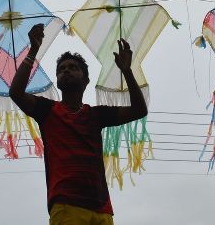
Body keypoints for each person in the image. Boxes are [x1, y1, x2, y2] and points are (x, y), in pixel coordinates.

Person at [9, 23, 147, 225]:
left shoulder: (96, 115)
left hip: (102, 209)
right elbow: (16, 93)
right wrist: (33, 50)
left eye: (73, 68)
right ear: (57, 80)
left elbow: (139, 110)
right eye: (62, 69)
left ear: (85, 80)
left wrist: (127, 71)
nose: (66, 71)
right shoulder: (47, 110)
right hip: (67, 206)